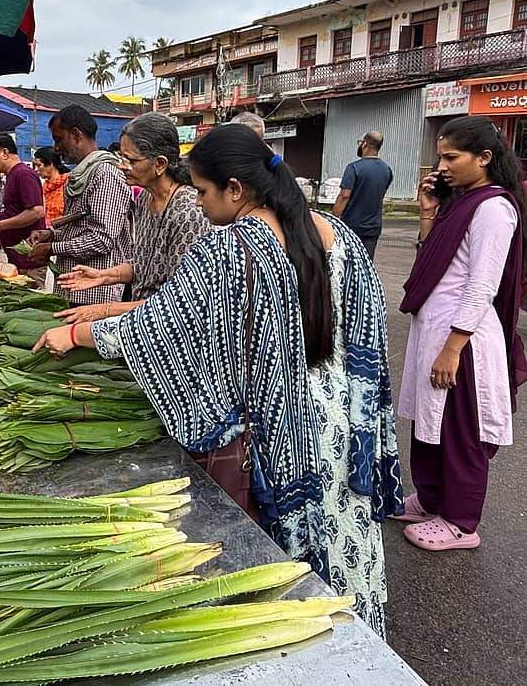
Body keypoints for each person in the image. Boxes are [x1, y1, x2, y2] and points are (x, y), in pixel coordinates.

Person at [34, 123, 403, 635]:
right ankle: (361, 646)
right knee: (345, 537)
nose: (201, 203)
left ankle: (312, 643)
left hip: (282, 436)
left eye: (204, 191)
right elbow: (370, 335)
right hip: (347, 428)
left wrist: (77, 337)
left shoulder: (229, 248)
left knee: (289, 581)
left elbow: (163, 326)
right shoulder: (334, 233)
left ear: (235, 189)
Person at [394, 115, 526, 551]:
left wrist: (453, 348)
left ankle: (461, 521)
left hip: (463, 339)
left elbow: (482, 285)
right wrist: (429, 214)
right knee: (430, 424)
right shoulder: (461, 201)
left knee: (459, 430)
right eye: (440, 157)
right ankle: (431, 498)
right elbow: (434, 264)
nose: (442, 166)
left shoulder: (493, 207)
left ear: (484, 158)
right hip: (437, 330)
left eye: (452, 157)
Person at [55, 112, 209, 323]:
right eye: (121, 157)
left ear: (160, 164)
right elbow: (141, 264)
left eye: (131, 160)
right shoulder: (145, 197)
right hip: (142, 321)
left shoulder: (188, 211)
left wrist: (104, 311)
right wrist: (103, 276)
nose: (122, 166)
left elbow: (179, 300)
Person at [28, 105, 132, 305]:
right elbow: (80, 226)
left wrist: (52, 248)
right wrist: (51, 234)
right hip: (74, 289)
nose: (56, 148)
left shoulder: (105, 174)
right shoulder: (80, 175)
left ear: (76, 135)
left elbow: (101, 239)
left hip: (96, 294)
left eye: (59, 139)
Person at [0, 133, 47, 284]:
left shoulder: (23, 174)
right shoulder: (11, 175)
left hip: (29, 262)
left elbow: (37, 211)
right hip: (18, 259)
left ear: (4, 153)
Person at [331, 131, 392, 260]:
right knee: (366, 264)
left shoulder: (353, 168)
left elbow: (344, 195)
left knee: (348, 265)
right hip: (373, 228)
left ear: (364, 144)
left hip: (351, 226)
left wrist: (333, 218)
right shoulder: (386, 169)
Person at [32, 146, 69, 225]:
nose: (35, 169)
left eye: (39, 165)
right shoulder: (44, 187)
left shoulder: (68, 185)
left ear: (50, 164)